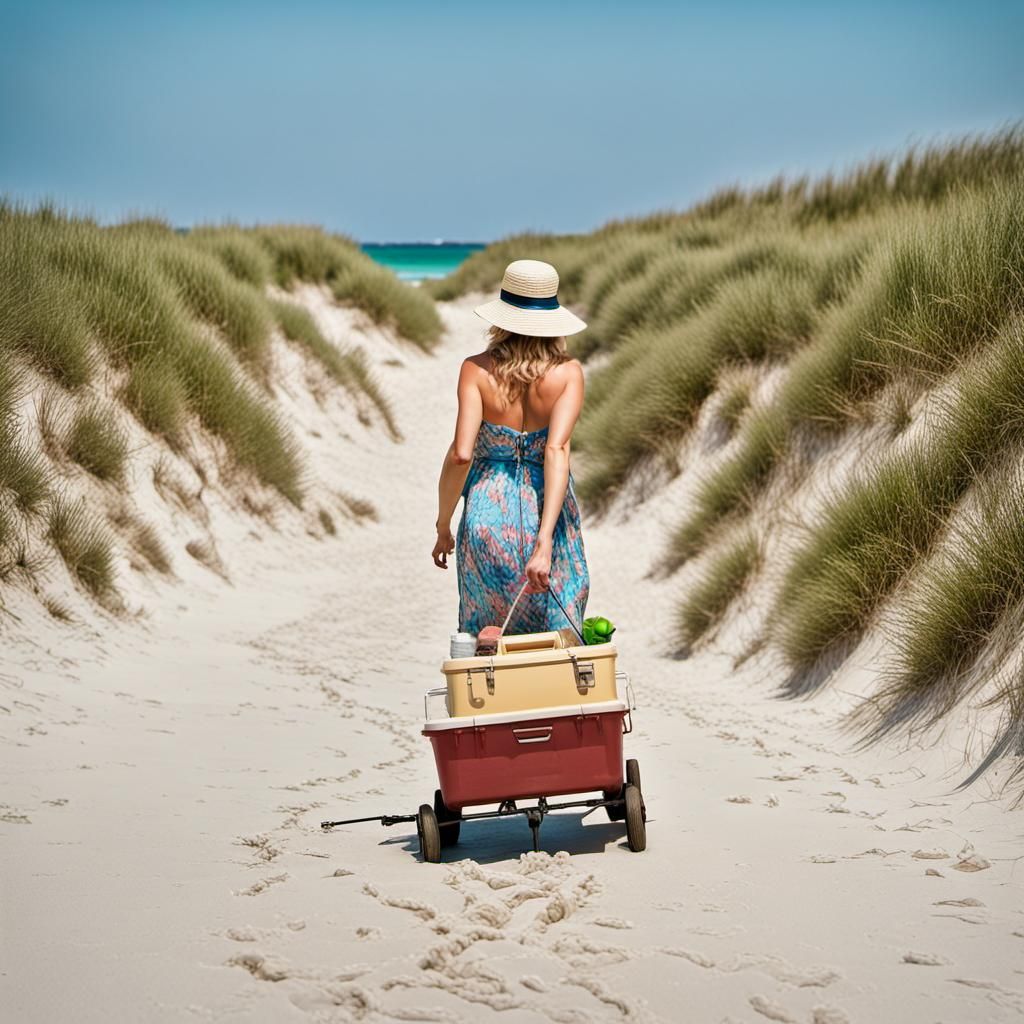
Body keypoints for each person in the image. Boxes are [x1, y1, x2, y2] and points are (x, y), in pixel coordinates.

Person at [432, 259, 590, 637]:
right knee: (558, 636)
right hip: (546, 512)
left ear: (501, 317)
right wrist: (544, 541)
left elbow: (462, 454)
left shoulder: (475, 369)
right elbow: (556, 451)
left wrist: (443, 525)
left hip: (487, 515)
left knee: (484, 639)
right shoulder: (568, 374)